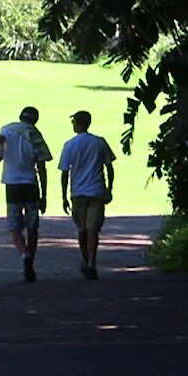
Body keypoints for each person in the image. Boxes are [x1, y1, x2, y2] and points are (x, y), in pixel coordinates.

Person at [0, 106, 51, 281]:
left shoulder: (6, 130)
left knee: (14, 227)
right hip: (31, 184)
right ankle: (31, 256)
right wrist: (44, 194)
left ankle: (24, 255)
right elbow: (42, 167)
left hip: (12, 185)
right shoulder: (35, 134)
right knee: (32, 227)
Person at [59, 110, 116, 280]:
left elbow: (64, 172)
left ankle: (85, 261)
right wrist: (109, 188)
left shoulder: (70, 144)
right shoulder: (99, 142)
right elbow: (110, 167)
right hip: (96, 191)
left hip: (78, 192)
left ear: (77, 123)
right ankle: (92, 262)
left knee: (82, 229)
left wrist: (64, 195)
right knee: (93, 231)